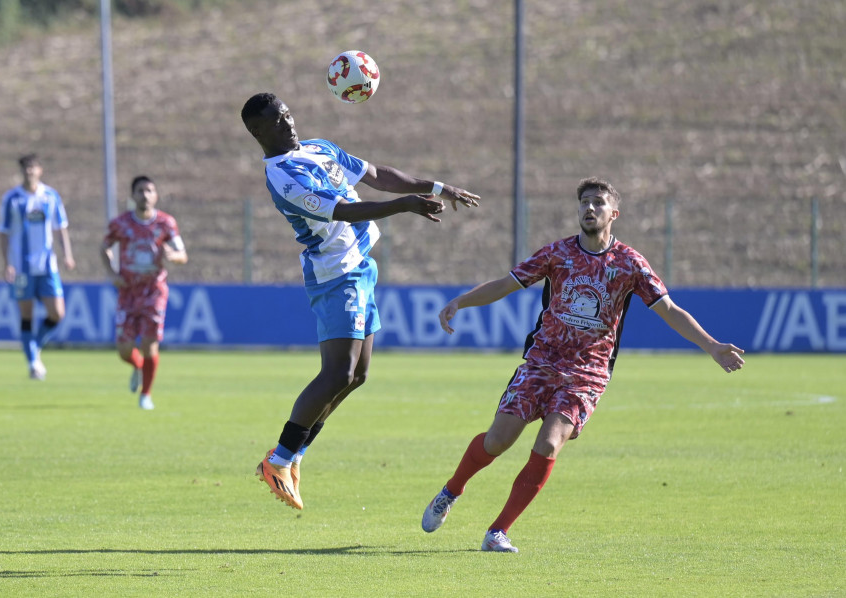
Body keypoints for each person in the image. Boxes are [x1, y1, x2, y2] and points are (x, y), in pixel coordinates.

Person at [420, 177, 745, 553]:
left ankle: (497, 532)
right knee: (497, 441)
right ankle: (451, 491)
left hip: (586, 374)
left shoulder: (630, 264)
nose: (590, 208)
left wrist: (712, 346)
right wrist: (460, 301)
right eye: (584, 203)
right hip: (541, 362)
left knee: (549, 442)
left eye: (598, 203)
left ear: (614, 214)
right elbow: (506, 284)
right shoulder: (557, 254)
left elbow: (669, 310)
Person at [241, 92, 480, 510]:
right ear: (258, 132)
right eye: (278, 121)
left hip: (360, 267)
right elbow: (342, 213)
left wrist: (437, 186)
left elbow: (376, 175)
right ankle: (277, 459)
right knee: (338, 372)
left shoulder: (318, 147)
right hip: (336, 274)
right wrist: (406, 206)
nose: (289, 123)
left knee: (357, 375)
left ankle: (295, 455)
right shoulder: (283, 176)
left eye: (288, 114)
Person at [99, 176, 188, 410]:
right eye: (140, 191)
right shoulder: (120, 223)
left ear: (156, 195)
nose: (145, 195)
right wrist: (111, 273)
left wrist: (173, 257)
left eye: (149, 190)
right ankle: (137, 366)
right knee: (124, 349)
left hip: (154, 291)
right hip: (128, 291)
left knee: (150, 345)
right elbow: (104, 247)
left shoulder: (166, 223)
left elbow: (182, 255)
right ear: (132, 195)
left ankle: (145, 395)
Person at [0, 153, 76, 380]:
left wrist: (67, 255)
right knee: (27, 316)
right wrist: (7, 263)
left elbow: (61, 228)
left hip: (47, 266)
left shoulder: (50, 196)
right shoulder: (11, 199)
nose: (30, 172)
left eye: (33, 168)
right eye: (26, 168)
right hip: (21, 267)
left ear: (40, 170)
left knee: (57, 313)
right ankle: (33, 362)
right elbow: (3, 233)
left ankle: (33, 347)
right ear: (21, 171)